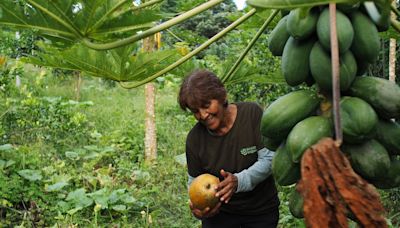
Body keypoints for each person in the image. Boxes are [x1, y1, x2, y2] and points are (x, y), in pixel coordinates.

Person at [178, 69, 280, 228]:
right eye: (195, 111)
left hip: (260, 211)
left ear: (221, 96)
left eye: (206, 105)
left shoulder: (252, 114)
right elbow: (194, 183)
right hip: (219, 215)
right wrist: (198, 209)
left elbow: (269, 159)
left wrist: (239, 181)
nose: (203, 115)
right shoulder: (194, 139)